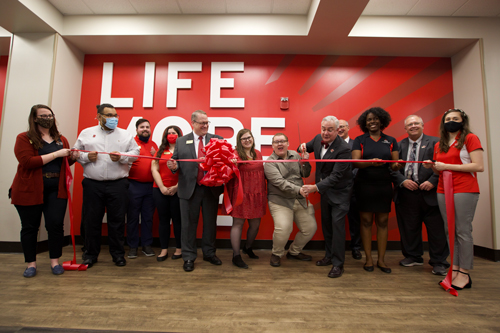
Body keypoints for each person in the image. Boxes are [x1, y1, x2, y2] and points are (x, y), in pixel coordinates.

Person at [10, 104, 76, 277]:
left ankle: (55, 261)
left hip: (56, 190)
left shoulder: (60, 139)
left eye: (50, 115)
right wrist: (56, 154)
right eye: (43, 116)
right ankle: (31, 264)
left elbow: (64, 163)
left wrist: (72, 158)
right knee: (30, 227)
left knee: (55, 225)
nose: (48, 119)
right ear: (34, 118)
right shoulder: (24, 138)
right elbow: (27, 162)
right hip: (29, 189)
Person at [423, 108, 484, 290]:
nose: (451, 121)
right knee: (449, 230)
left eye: (455, 118)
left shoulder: (470, 138)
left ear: (462, 121)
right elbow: (440, 169)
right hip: (443, 189)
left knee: (463, 230)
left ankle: (464, 272)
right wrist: (433, 167)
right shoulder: (439, 143)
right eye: (448, 119)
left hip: (464, 189)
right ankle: (455, 269)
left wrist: (446, 165)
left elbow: (478, 166)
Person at [74, 103, 140, 268]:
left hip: (118, 184)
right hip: (92, 184)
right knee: (91, 221)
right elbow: (75, 152)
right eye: (109, 115)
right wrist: (86, 156)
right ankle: (90, 255)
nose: (113, 118)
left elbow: (135, 153)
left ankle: (118, 255)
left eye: (115, 115)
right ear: (98, 116)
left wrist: (123, 157)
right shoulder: (86, 133)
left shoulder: (125, 134)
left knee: (117, 221)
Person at [167, 110, 224, 272]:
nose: (205, 125)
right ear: (193, 123)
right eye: (202, 123)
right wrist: (174, 166)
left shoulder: (216, 140)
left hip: (210, 189)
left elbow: (223, 162)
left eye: (207, 123)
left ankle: (209, 253)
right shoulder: (181, 141)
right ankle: (189, 257)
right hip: (188, 189)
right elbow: (177, 162)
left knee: (210, 224)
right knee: (188, 226)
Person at [394, 115, 449, 275]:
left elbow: (442, 164)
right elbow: (392, 168)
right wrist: (403, 181)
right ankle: (413, 256)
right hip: (407, 193)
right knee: (409, 227)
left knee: (436, 229)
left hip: (431, 192)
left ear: (423, 125)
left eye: (416, 123)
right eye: (409, 124)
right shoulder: (398, 145)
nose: (413, 126)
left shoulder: (435, 142)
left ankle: (439, 262)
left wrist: (433, 180)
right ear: (405, 128)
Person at [299, 116, 352, 278]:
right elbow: (303, 147)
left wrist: (315, 187)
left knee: (337, 228)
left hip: (340, 193)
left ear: (338, 130)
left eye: (330, 130)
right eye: (323, 129)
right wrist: (302, 149)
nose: (325, 132)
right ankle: (329, 256)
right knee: (327, 226)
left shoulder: (344, 149)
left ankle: (338, 264)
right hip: (325, 193)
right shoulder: (317, 139)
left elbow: (336, 176)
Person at [351, 107, 401, 274]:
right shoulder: (360, 140)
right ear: (365, 123)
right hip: (364, 184)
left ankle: (381, 260)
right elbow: (355, 163)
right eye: (368, 120)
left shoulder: (391, 140)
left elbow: (394, 165)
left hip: (384, 184)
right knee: (365, 222)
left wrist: (397, 164)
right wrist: (371, 162)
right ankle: (368, 259)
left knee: (383, 222)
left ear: (382, 121)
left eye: (375, 119)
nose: (372, 122)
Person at [264, 133, 317, 268]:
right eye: (277, 142)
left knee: (310, 228)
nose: (280, 144)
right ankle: (276, 254)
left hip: (299, 199)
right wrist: (299, 189)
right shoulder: (269, 163)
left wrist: (305, 162)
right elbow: (280, 183)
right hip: (280, 200)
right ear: (272, 145)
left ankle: (294, 252)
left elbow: (305, 174)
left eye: (282, 141)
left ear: (287, 143)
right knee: (283, 228)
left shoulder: (296, 155)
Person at [226, 129, 267, 269]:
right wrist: (231, 164)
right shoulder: (235, 154)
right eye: (243, 139)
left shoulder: (258, 153)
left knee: (255, 224)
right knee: (238, 223)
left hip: (257, 193)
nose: (247, 140)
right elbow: (228, 173)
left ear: (252, 138)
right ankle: (236, 256)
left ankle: (248, 247)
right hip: (241, 194)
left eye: (248, 137)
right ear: (239, 141)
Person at [126, 118, 158, 259]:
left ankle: (146, 245)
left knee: (147, 218)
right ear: (136, 129)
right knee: (132, 217)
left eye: (147, 127)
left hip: (150, 187)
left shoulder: (154, 145)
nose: (145, 129)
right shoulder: (130, 143)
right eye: (142, 127)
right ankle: (132, 246)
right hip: (133, 186)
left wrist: (155, 154)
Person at [152, 125, 183, 261]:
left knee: (178, 220)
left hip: (178, 190)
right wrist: (162, 187)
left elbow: (187, 172)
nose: (171, 135)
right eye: (169, 133)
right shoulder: (159, 151)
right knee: (163, 220)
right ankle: (164, 249)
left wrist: (176, 186)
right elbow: (154, 169)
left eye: (174, 133)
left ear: (179, 135)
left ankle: (179, 249)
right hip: (160, 190)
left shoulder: (183, 151)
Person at [338, 119, 362, 260]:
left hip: (354, 188)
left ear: (348, 128)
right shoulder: (331, 145)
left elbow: (359, 165)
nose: (340, 129)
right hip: (336, 189)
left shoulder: (356, 144)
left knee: (355, 220)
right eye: (338, 127)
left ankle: (356, 248)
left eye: (342, 127)